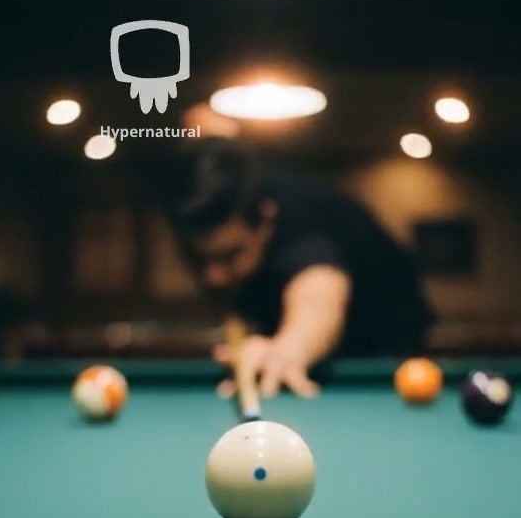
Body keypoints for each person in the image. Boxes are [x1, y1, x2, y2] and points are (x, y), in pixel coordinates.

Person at [163, 137, 434, 399]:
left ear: (265, 224)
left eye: (230, 255)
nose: (214, 276)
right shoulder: (227, 193)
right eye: (201, 259)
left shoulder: (297, 218)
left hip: (384, 348)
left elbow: (320, 288)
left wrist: (287, 350)